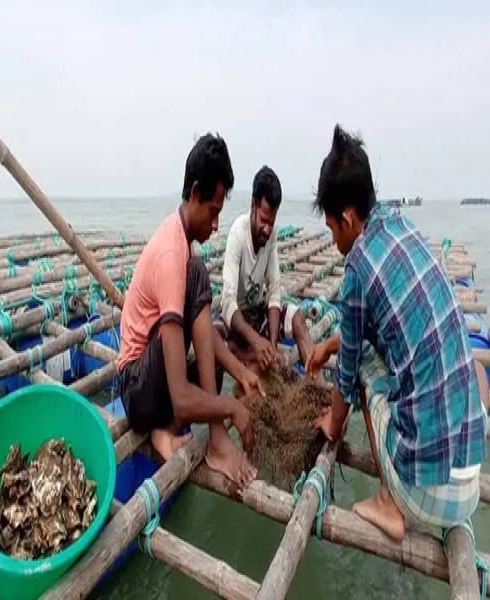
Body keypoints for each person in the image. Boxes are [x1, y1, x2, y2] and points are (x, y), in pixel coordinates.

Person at [305, 124, 487, 541]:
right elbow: (377, 329)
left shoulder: (356, 272)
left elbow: (347, 378)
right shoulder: (400, 227)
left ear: (348, 219)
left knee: (366, 370)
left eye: (332, 228)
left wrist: (331, 424)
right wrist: (330, 344)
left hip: (428, 495)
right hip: (470, 481)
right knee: (465, 370)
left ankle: (389, 501)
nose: (334, 240)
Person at [116, 133, 265, 487]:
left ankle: (164, 434)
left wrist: (240, 372)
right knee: (197, 274)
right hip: (137, 388)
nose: (215, 225)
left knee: (211, 367)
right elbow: (183, 400)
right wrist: (230, 408)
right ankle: (213, 438)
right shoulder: (173, 256)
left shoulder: (183, 244)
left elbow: (205, 336)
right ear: (194, 194)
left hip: (154, 388)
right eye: (213, 212)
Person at [216, 165, 316, 372]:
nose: (267, 229)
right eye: (263, 220)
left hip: (258, 313)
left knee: (297, 318)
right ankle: (250, 358)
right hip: (238, 320)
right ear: (253, 205)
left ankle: (317, 387)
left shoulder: (271, 234)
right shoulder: (238, 234)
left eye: (272, 222)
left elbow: (274, 292)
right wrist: (255, 341)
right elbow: (227, 301)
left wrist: (270, 345)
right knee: (214, 335)